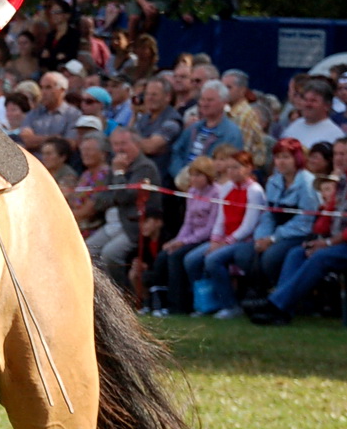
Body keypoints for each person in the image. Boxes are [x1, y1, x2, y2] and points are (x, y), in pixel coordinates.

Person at [247, 138, 347, 325]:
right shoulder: (341, 182)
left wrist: (325, 243)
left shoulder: (308, 181)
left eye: (343, 154)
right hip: (333, 240)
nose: (338, 158)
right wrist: (319, 232)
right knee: (296, 253)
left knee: (319, 257)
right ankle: (283, 311)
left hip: (340, 244)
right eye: (336, 154)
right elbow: (324, 221)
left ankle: (276, 304)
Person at [183, 149, 267, 317]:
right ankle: (205, 302)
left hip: (244, 241)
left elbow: (249, 225)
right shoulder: (227, 188)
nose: (232, 172)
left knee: (213, 260)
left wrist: (225, 243)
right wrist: (215, 240)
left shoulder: (255, 191)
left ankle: (229, 305)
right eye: (229, 168)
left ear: (249, 168)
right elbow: (220, 218)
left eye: (236, 167)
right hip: (224, 239)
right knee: (191, 260)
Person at [86, 127, 162, 290]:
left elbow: (124, 197)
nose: (119, 149)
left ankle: (120, 295)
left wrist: (119, 173)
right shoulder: (115, 166)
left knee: (110, 254)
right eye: (115, 144)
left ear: (136, 144)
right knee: (87, 251)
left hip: (133, 225)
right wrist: (117, 191)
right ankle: (98, 294)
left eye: (124, 144)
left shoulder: (144, 167)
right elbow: (101, 199)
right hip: (112, 224)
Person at [143, 157, 221, 315]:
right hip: (190, 237)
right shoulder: (192, 192)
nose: (194, 179)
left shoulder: (217, 193)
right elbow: (188, 222)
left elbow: (209, 228)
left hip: (207, 238)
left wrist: (183, 242)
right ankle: (159, 302)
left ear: (208, 176)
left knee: (177, 256)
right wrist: (177, 241)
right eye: (192, 175)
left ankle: (178, 305)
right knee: (164, 255)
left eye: (199, 175)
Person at [246, 138, 319, 292]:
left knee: (271, 257)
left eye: (286, 157)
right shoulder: (273, 180)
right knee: (246, 253)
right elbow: (268, 213)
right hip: (276, 231)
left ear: (297, 159)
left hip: (300, 234)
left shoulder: (307, 183)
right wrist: (262, 236)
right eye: (278, 157)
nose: (281, 162)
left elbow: (305, 220)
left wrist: (273, 239)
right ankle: (260, 296)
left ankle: (282, 293)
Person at [169, 80, 243, 181]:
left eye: (210, 100)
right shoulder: (194, 128)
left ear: (224, 103)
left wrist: (200, 179)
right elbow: (176, 151)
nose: (204, 104)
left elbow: (229, 166)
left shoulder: (232, 134)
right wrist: (180, 174)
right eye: (202, 99)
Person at [129, 74, 182, 184]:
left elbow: (150, 147)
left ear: (167, 97)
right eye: (147, 94)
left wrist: (132, 141)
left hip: (159, 179)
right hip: (138, 174)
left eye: (154, 94)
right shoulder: (145, 117)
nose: (149, 98)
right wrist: (134, 115)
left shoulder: (172, 121)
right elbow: (126, 138)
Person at [18, 71, 80, 155]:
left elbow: (70, 144)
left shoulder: (73, 114)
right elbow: (27, 140)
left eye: (48, 87)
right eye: (42, 87)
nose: (43, 92)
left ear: (62, 90)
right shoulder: (33, 113)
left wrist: (37, 140)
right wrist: (55, 138)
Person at [68, 122, 110, 236]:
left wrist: (63, 218)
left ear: (103, 154)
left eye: (90, 150)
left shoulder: (104, 175)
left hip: (90, 227)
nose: (85, 154)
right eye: (83, 150)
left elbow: (89, 210)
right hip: (74, 221)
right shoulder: (86, 174)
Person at [284, 77, 343, 153]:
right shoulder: (293, 126)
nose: (308, 104)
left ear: (327, 106)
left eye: (313, 101)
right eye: (305, 100)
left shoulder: (335, 134)